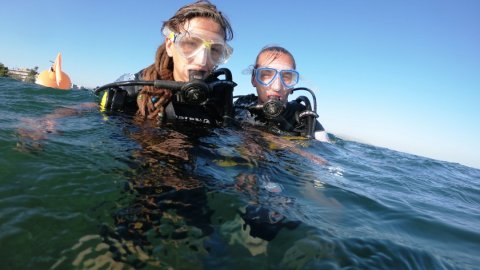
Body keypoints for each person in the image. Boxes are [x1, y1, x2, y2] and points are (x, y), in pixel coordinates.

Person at [98, 0, 236, 126]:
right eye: (191, 44)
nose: (202, 61)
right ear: (170, 46)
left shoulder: (221, 99)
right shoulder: (138, 88)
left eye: (215, 50)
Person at [234, 45, 330, 142]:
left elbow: (324, 151)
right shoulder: (242, 104)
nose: (277, 87)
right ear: (254, 79)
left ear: (292, 85)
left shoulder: (303, 118)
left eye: (286, 77)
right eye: (266, 75)